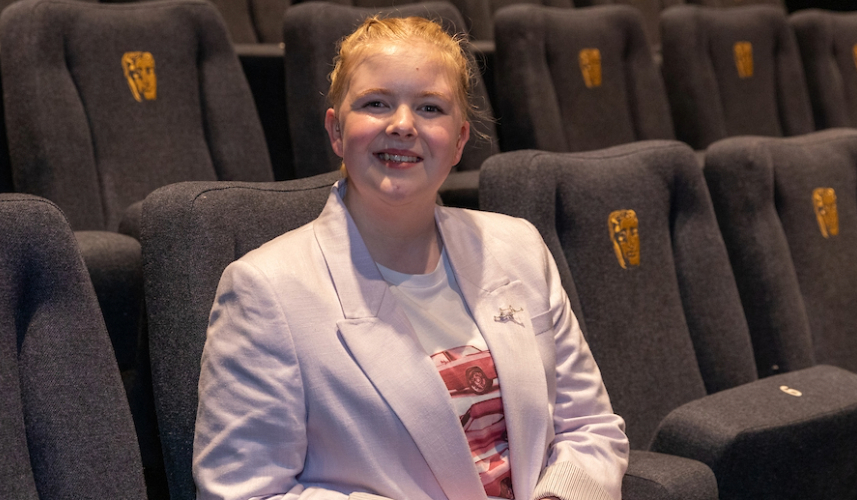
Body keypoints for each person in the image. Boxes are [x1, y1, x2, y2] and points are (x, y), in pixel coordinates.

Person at [194, 16, 628, 500]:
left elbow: (590, 427)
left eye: (430, 107)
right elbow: (245, 490)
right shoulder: (263, 290)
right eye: (376, 103)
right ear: (336, 131)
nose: (402, 125)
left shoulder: (519, 247)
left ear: (459, 141)